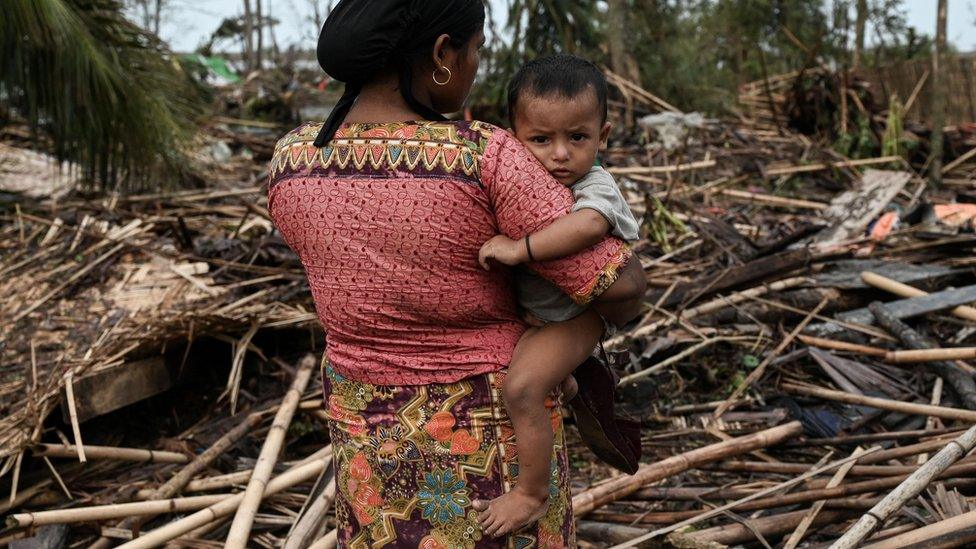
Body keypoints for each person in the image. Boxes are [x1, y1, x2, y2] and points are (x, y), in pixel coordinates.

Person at [267, 0, 646, 546]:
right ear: (443, 53)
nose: (473, 68)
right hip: (488, 453)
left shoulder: (291, 161)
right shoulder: (481, 157)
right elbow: (621, 288)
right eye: (474, 51)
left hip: (367, 449)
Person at [474, 54, 641, 537]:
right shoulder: (518, 180)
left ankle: (531, 493)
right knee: (535, 376)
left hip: (578, 316)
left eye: (578, 137)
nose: (561, 154)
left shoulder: (596, 185)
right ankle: (569, 379)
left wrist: (518, 248)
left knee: (522, 388)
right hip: (542, 316)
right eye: (541, 139)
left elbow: (588, 226)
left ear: (603, 137)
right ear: (513, 138)